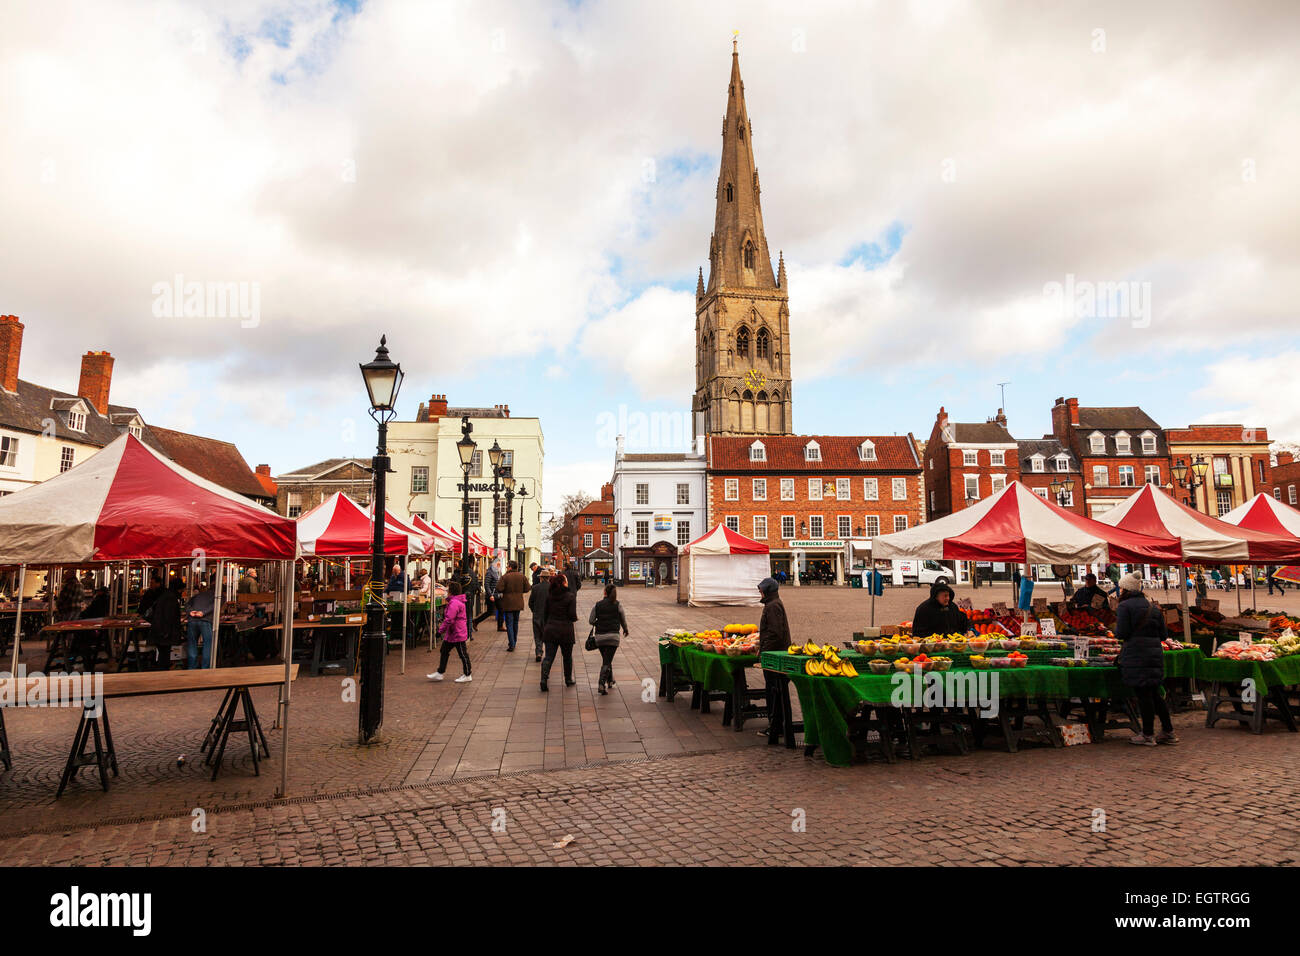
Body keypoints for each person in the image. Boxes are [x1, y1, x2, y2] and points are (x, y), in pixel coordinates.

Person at [1115, 572, 1177, 746]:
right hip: (1154, 655)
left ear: (1125, 589)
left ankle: (1148, 734)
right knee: (1155, 694)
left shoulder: (1124, 607)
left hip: (1136, 655)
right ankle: (1168, 731)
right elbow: (1163, 635)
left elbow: (1122, 633)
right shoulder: (1153, 608)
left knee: (1143, 695)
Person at [757, 577, 793, 741]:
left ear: (767, 591)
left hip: (775, 656)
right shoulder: (773, 604)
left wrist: (764, 649)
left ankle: (776, 726)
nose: (759, 593)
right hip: (774, 654)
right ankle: (777, 724)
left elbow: (775, 633)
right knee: (774, 691)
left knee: (774, 691)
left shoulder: (772, 606)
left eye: (761, 590)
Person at [588, 584, 629, 695]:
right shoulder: (618, 605)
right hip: (613, 638)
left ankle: (610, 680)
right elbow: (623, 619)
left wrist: (599, 622)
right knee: (607, 660)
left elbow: (591, 620)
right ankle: (601, 684)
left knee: (607, 659)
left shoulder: (597, 605)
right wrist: (625, 629)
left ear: (605, 592)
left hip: (600, 638)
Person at [540, 572, 578, 692]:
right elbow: (572, 615)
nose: (567, 582)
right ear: (563, 583)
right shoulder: (570, 596)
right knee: (567, 657)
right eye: (566, 580)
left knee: (548, 657)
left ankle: (544, 679)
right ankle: (568, 679)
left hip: (551, 630)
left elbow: (545, 614)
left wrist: (546, 626)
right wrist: (574, 618)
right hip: (565, 631)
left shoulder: (549, 596)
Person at [428, 581, 472, 683]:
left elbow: (449, 619)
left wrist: (440, 631)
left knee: (462, 653)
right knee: (444, 650)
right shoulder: (454, 602)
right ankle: (440, 672)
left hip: (457, 632)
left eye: (448, 590)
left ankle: (467, 674)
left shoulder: (454, 603)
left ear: (451, 591)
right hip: (453, 633)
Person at [148, 579, 184, 670]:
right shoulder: (171, 598)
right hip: (164, 632)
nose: (182, 591)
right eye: (181, 589)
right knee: (164, 655)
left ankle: (163, 672)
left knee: (163, 654)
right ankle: (163, 673)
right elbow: (168, 616)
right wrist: (167, 632)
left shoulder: (165, 595)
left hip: (160, 630)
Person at [496, 560, 531, 652]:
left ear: (510, 567)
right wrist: (519, 592)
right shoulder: (522, 576)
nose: (507, 567)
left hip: (508, 603)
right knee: (515, 623)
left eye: (507, 566)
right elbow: (527, 588)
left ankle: (512, 643)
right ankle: (514, 641)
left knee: (509, 624)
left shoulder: (505, 577)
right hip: (518, 603)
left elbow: (499, 588)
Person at [186, 576, 215, 669]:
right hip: (205, 620)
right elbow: (215, 606)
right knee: (208, 643)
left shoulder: (199, 594)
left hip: (192, 619)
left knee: (192, 643)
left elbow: (188, 604)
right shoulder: (219, 596)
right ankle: (205, 668)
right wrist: (203, 613)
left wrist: (191, 611)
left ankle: (192, 667)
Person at [528, 566, 551, 662]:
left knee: (537, 636)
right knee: (548, 636)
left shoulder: (535, 588)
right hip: (549, 616)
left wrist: (535, 610)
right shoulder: (552, 588)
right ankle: (549, 653)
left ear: (541, 578)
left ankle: (539, 652)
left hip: (537, 615)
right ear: (548, 578)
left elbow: (530, 603)